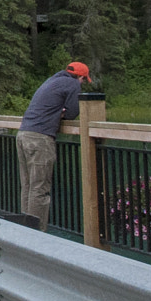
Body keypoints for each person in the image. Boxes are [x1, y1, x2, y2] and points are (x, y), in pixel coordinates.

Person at [17, 60, 91, 229]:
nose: (83, 83)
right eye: (84, 80)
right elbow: (72, 113)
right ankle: (37, 233)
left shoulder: (52, 80)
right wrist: (62, 113)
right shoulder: (72, 84)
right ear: (79, 76)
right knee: (40, 189)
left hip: (23, 134)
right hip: (40, 138)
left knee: (27, 185)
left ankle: (23, 231)